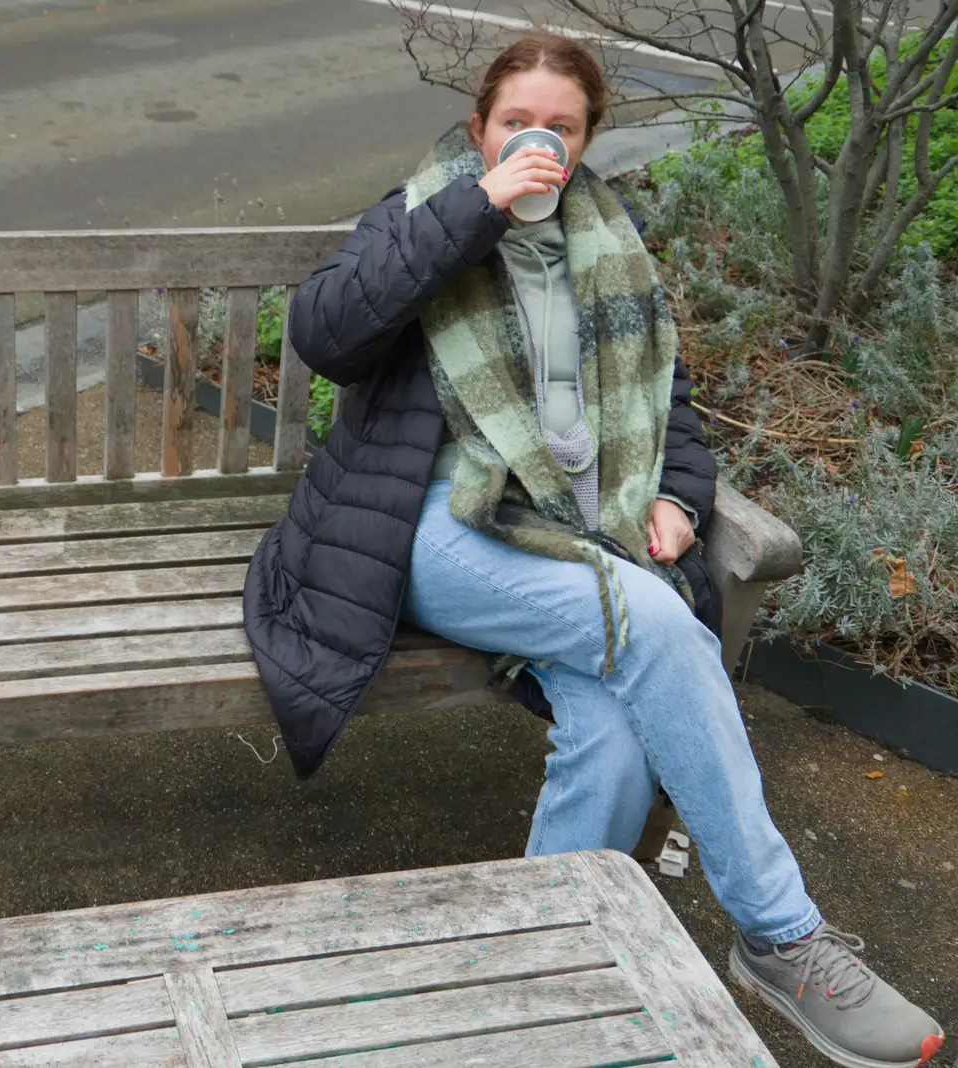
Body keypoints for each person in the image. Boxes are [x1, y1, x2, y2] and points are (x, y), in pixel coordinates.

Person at [242, 31, 944, 1068]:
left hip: (573, 535)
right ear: (480, 128)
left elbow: (672, 406)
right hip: (427, 530)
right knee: (657, 622)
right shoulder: (416, 216)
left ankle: (542, 970)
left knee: (615, 728)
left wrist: (677, 499)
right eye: (516, 122)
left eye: (559, 128)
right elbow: (326, 332)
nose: (537, 141)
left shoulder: (607, 238)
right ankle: (778, 934)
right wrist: (472, 210)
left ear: (587, 141)